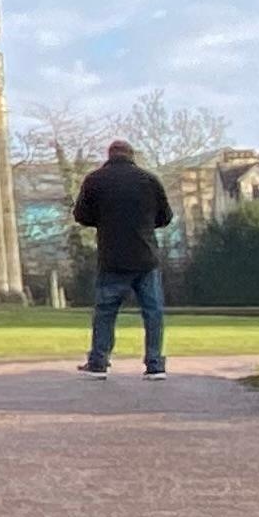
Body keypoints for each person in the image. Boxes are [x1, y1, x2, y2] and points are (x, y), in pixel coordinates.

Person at [74, 138, 176, 378]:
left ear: (109, 155)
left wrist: (104, 220)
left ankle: (99, 362)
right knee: (152, 312)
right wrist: (145, 224)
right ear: (132, 155)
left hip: (112, 256)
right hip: (145, 256)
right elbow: (166, 217)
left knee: (105, 312)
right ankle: (155, 364)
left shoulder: (95, 180)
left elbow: (81, 215)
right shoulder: (149, 180)